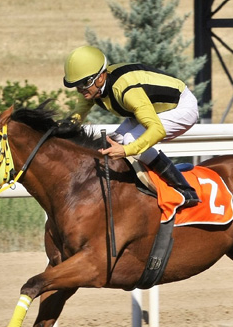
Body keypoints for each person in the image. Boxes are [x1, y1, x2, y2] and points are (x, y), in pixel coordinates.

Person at [63, 45, 200, 207]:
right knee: (112, 141)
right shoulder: (93, 88)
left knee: (128, 141)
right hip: (152, 109)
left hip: (181, 107)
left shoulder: (126, 90)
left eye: (84, 84)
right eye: (76, 86)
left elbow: (157, 130)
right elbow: (78, 114)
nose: (80, 90)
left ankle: (184, 188)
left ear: (100, 77)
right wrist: (59, 130)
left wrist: (125, 151)